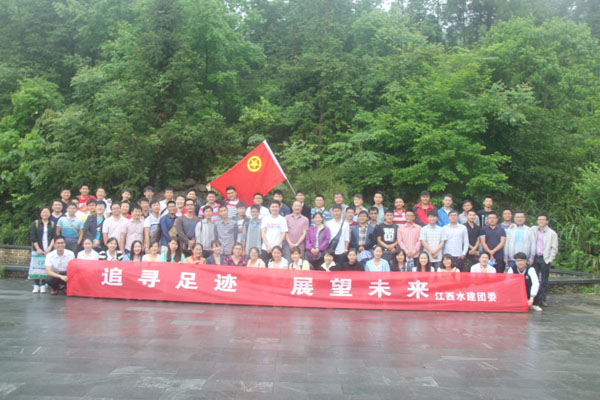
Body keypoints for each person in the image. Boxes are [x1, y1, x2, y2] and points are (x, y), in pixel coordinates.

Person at [530, 213, 558, 308]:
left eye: (543, 219)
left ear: (547, 221)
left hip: (545, 258)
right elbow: (523, 228)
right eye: (539, 219)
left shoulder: (552, 233)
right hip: (535, 257)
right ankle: (535, 299)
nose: (541, 221)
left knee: (544, 280)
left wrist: (550, 259)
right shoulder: (533, 230)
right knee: (534, 278)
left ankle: (543, 299)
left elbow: (554, 248)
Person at [29, 206, 56, 293]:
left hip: (48, 249)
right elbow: (33, 237)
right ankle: (36, 284)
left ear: (50, 213)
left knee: (46, 267)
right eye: (43, 212)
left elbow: (54, 237)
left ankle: (43, 284)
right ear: (40, 213)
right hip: (38, 249)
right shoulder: (36, 223)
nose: (45, 214)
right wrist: (38, 248)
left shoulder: (52, 224)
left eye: (47, 212)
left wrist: (49, 248)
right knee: (36, 267)